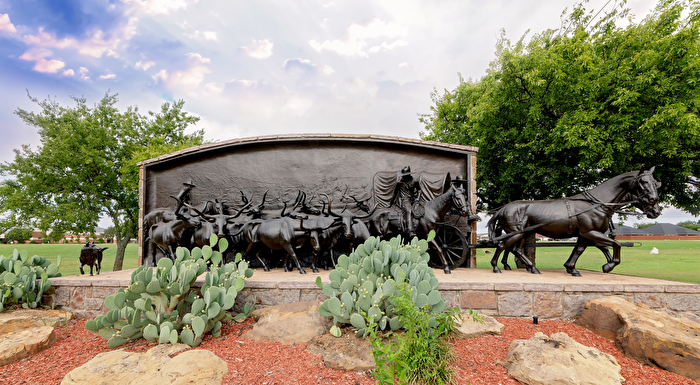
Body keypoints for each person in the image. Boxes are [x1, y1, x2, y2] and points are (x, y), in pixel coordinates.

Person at [393, 165, 421, 237]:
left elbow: (419, 190)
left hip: (413, 199)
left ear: (409, 174)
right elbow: (394, 194)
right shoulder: (399, 183)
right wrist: (390, 204)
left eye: (405, 175)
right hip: (404, 200)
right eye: (403, 175)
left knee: (421, 210)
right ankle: (410, 230)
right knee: (409, 210)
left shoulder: (415, 181)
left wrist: (417, 198)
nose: (403, 177)